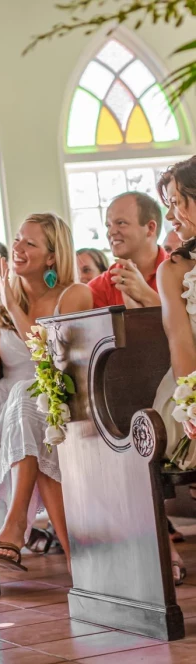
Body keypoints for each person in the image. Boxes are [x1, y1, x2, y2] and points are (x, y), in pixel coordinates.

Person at [0, 214, 92, 572]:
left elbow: (48, 359)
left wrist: (12, 305)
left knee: (33, 408)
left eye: (29, 243)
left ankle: (14, 527)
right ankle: (77, 559)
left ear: (51, 257)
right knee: (25, 405)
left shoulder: (74, 295)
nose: (17, 248)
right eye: (17, 239)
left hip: (67, 404)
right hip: (10, 416)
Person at [153, 156, 196, 585]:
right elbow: (181, 344)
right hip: (191, 389)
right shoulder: (175, 270)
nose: (170, 215)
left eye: (176, 201)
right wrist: (194, 405)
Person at [89, 192, 165, 309]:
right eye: (108, 225)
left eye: (121, 223)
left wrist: (146, 295)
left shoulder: (185, 272)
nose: (111, 232)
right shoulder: (98, 289)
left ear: (150, 228)